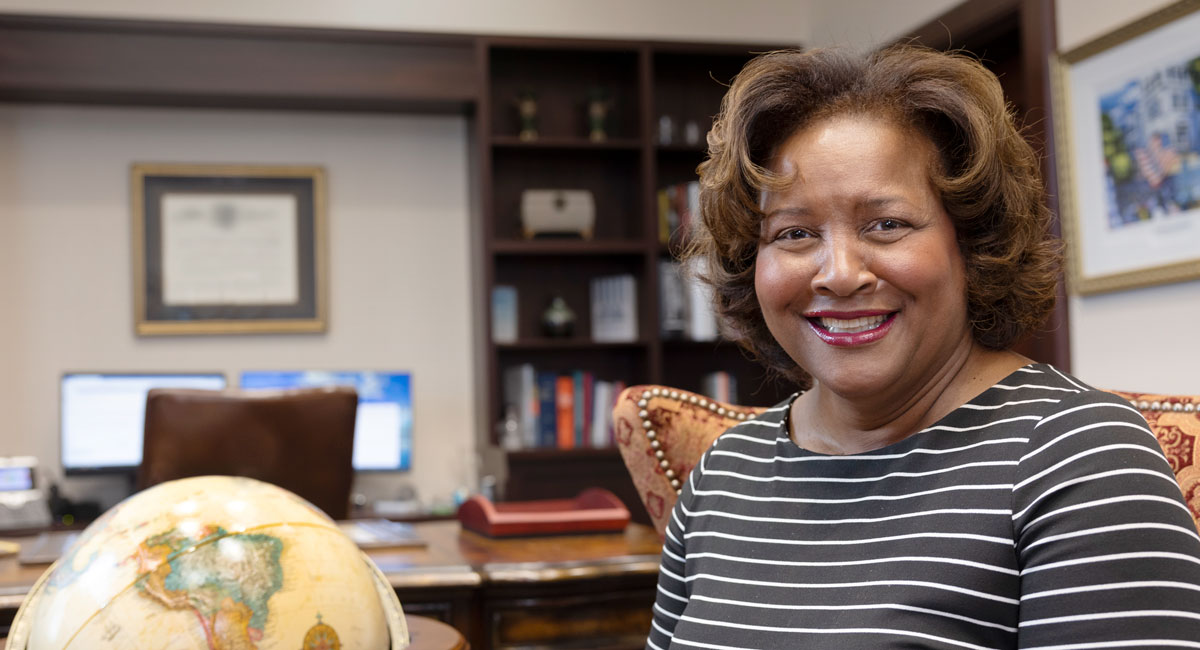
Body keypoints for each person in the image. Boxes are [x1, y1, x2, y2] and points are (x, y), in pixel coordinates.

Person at [648, 46, 1200, 649]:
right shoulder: (723, 474)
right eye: (795, 233)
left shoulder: (1081, 458)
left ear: (972, 242)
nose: (839, 273)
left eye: (886, 224)